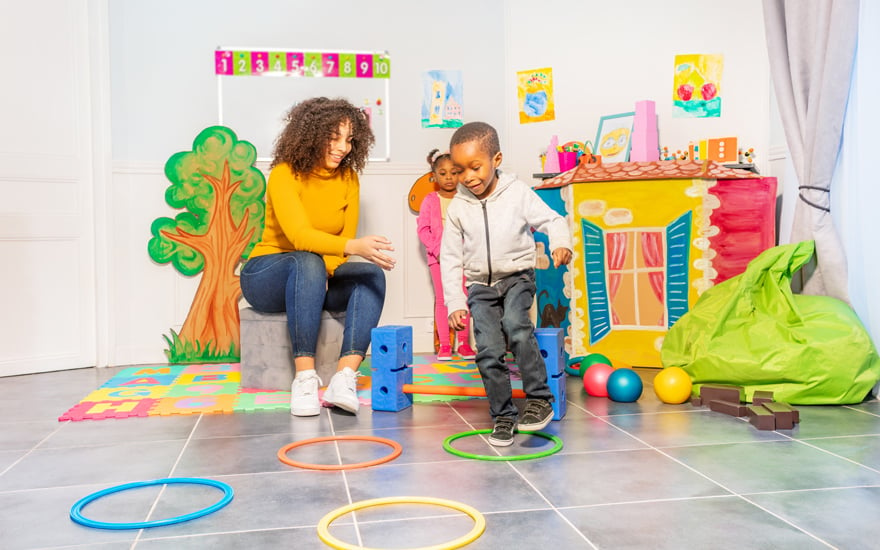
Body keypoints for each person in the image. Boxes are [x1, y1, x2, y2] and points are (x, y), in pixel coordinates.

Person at [240, 97, 395, 417]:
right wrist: (350, 249)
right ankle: (305, 378)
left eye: (350, 139)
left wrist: (325, 272)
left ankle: (344, 377)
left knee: (371, 275)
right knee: (306, 259)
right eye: (334, 137)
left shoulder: (349, 178)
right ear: (311, 135)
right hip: (266, 273)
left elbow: (340, 239)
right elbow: (299, 237)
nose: (343, 147)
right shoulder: (284, 174)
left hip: (314, 276)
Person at [440, 121, 572, 446]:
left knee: (516, 325)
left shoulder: (517, 193)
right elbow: (450, 258)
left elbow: (553, 219)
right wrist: (455, 303)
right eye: (460, 170)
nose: (468, 177)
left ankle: (539, 399)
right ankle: (503, 416)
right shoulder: (458, 208)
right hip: (480, 288)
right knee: (487, 351)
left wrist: (560, 242)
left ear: (496, 160)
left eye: (475, 167)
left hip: (516, 277)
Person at [416, 149, 477, 361]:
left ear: (460, 173)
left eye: (453, 172)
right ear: (434, 175)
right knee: (442, 300)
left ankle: (463, 344)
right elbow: (423, 229)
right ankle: (444, 345)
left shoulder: (465, 199)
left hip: (464, 258)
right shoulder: (430, 200)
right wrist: (437, 249)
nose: (449, 177)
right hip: (438, 259)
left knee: (462, 298)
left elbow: (472, 228)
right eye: (443, 173)